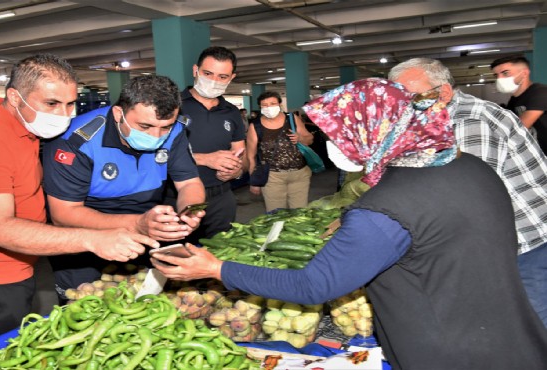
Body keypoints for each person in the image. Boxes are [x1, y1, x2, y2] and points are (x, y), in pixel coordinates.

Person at [152, 78, 547, 370]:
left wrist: (214, 268)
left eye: (336, 134)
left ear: (368, 129)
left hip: (445, 352)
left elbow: (314, 285)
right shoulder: (470, 166)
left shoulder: (384, 208)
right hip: (512, 335)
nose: (333, 144)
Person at [0, 54, 159, 354]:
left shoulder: (22, 129)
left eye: (71, 103)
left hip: (8, 274)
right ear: (15, 97)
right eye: (52, 104)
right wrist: (92, 238)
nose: (65, 114)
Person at [388, 57, 547, 327]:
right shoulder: (439, 118)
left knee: (533, 323)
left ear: (444, 92)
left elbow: (468, 194)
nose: (404, 106)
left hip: (528, 239)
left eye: (411, 97)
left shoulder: (469, 120)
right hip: (509, 235)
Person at [42, 75, 205, 299]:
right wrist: (137, 224)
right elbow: (64, 214)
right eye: (145, 126)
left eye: (164, 127)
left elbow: (189, 182)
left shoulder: (175, 131)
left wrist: (190, 212)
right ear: (119, 113)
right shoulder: (76, 141)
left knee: (146, 303)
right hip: (85, 237)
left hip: (145, 229)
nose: (156, 136)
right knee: (84, 309)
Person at [165, 46, 246, 243]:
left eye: (222, 76)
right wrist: (206, 159)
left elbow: (240, 154)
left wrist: (236, 171)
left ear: (231, 77)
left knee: (221, 254)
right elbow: (152, 154)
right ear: (196, 70)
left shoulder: (232, 113)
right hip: (176, 196)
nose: (214, 81)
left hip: (221, 196)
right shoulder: (172, 106)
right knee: (178, 257)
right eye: (208, 73)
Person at [246, 91, 313, 212]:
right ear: (260, 107)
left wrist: (300, 138)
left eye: (272, 103)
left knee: (299, 213)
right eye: (264, 105)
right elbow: (251, 155)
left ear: (280, 104)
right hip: (272, 177)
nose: (269, 107)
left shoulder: (292, 119)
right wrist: (254, 180)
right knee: (276, 214)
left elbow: (309, 139)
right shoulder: (255, 126)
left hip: (299, 175)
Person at [491, 55, 547, 154]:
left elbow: (519, 129)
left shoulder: (540, 92)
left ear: (524, 73)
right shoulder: (513, 101)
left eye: (505, 73)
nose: (499, 78)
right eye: (496, 75)